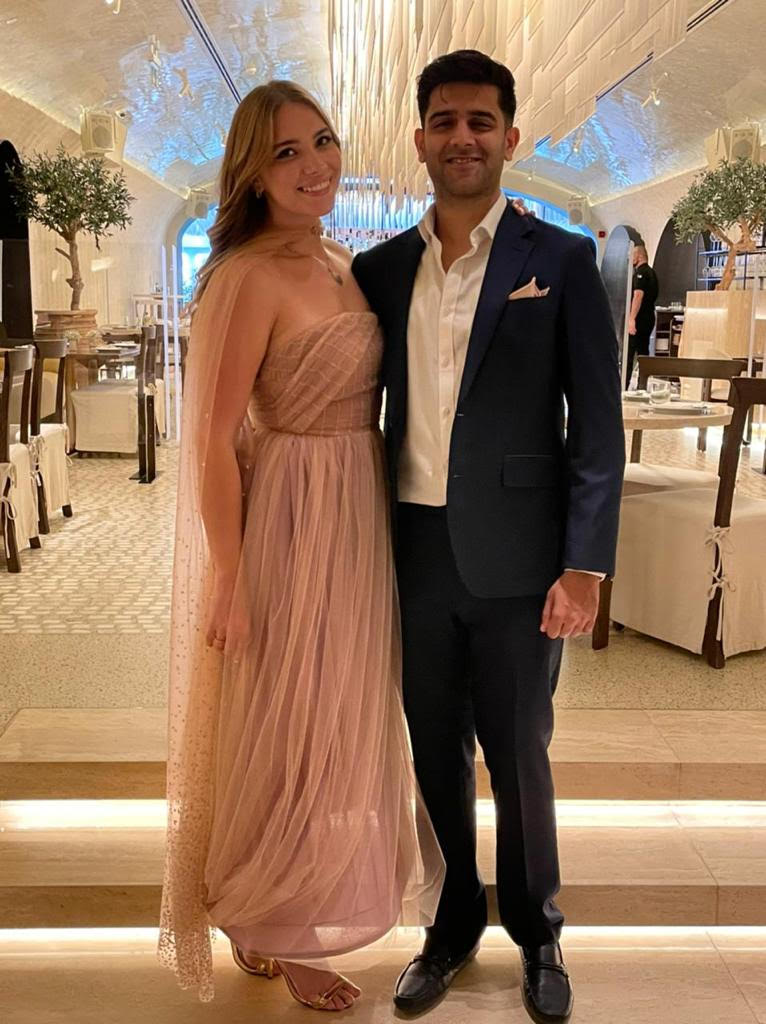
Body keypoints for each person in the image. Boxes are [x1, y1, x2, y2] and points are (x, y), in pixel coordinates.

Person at [157, 80, 445, 1011]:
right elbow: (212, 440)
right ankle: (278, 924)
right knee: (289, 721)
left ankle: (280, 912)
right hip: (289, 512)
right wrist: (230, 575)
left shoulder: (340, 260)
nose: (314, 164)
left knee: (338, 718)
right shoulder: (246, 277)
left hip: (357, 507)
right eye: (286, 152)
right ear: (253, 172)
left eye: (321, 141)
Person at [352, 50, 625, 1024]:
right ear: (418, 138)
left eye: (479, 121)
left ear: (510, 137)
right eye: (443, 120)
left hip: (520, 558)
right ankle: (451, 920)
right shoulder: (381, 270)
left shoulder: (561, 261)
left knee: (518, 754)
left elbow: (597, 426)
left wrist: (584, 564)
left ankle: (538, 930)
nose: (460, 137)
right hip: (413, 554)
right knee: (433, 749)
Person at [627, 242, 659, 386]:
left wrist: (632, 319)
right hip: (649, 317)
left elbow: (638, 295)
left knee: (630, 353)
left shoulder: (641, 273)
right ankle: (642, 385)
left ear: (639, 256)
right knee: (643, 352)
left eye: (632, 255)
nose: (630, 258)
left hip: (640, 319)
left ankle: (624, 385)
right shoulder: (652, 273)